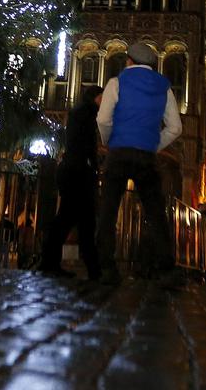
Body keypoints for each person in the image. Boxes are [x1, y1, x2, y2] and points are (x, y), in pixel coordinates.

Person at [95, 43, 183, 286]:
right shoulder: (164, 87)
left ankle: (106, 267)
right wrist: (153, 143)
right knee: (155, 212)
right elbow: (175, 128)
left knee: (109, 209)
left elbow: (103, 118)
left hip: (119, 151)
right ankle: (166, 268)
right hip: (146, 155)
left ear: (129, 61)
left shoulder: (117, 82)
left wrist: (109, 140)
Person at [39, 85, 104, 280]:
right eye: (102, 98)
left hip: (73, 171)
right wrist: (93, 165)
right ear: (95, 98)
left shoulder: (80, 112)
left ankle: (52, 262)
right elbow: (86, 145)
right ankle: (92, 269)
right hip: (78, 173)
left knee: (71, 219)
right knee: (79, 220)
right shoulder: (87, 114)